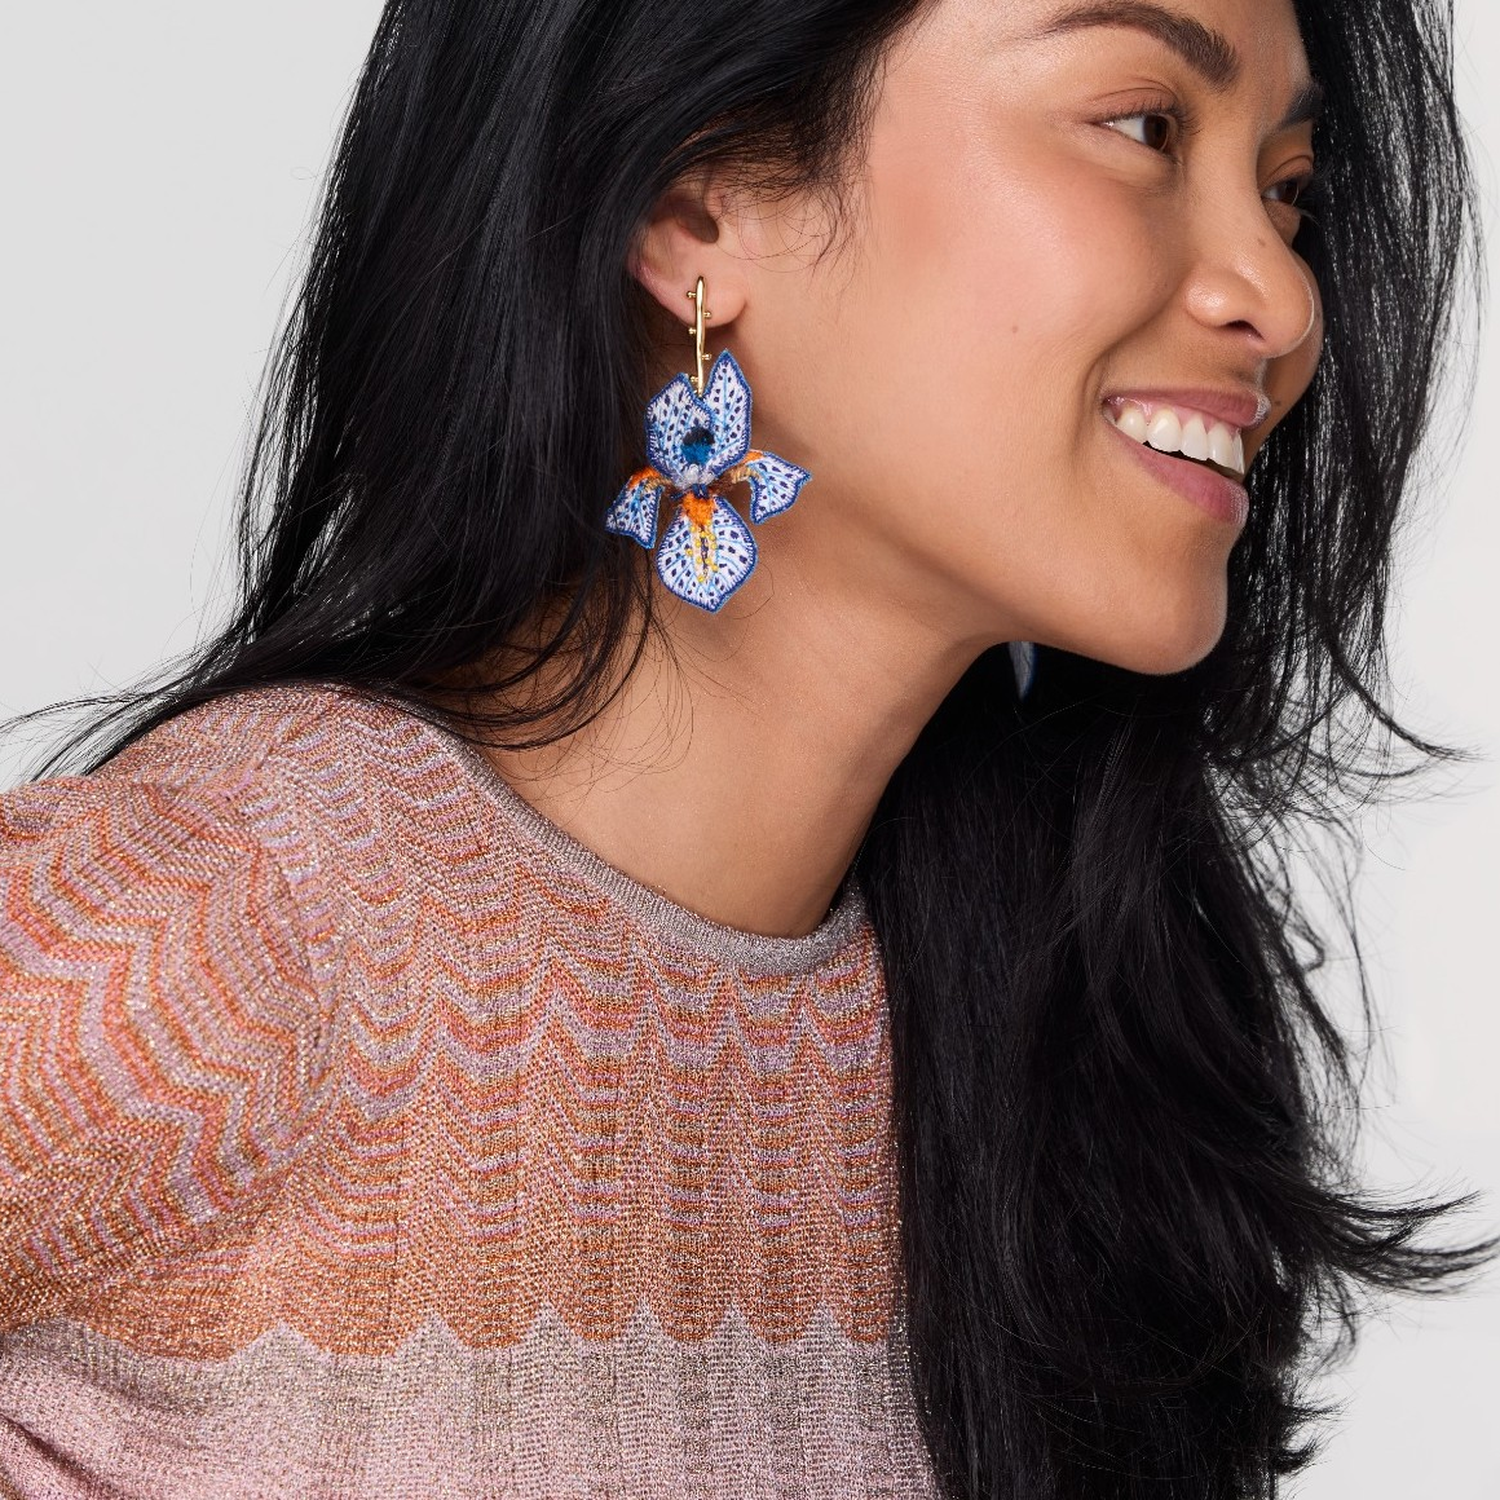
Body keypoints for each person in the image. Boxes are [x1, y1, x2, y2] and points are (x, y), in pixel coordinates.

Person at [0, 0, 1492, 1495]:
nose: (1282, 300)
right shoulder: (217, 935)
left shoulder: (1079, 1074)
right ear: (701, 204)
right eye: (1147, 127)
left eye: (1287, 190)